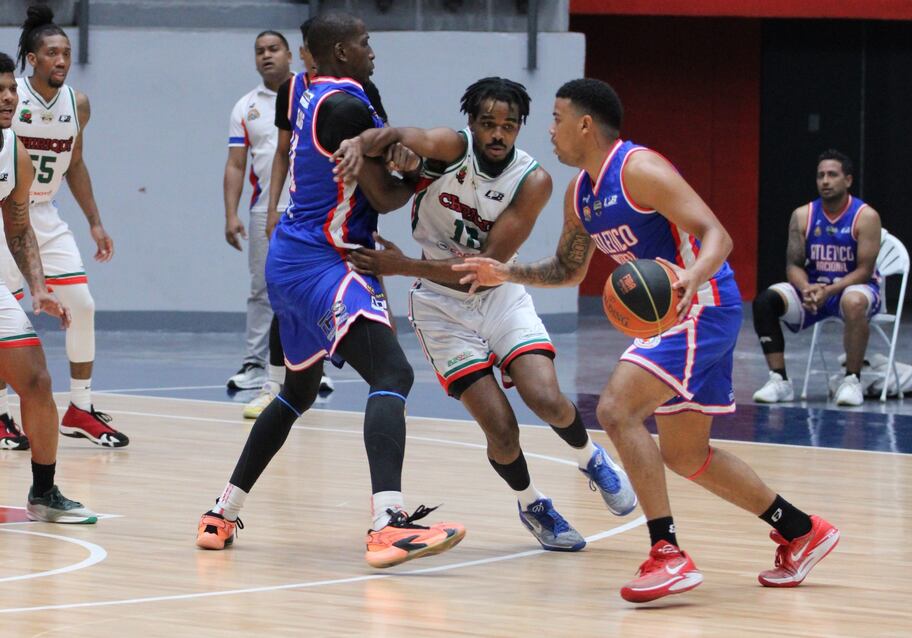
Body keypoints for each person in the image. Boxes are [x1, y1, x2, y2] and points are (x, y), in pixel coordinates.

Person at [453, 79, 839, 602]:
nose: (550, 130)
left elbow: (717, 236)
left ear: (584, 125)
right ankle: (801, 530)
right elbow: (569, 268)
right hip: (677, 315)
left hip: (698, 306)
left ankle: (668, 554)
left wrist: (690, 277)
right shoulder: (581, 193)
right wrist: (508, 272)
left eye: (557, 117)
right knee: (687, 455)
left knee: (616, 409)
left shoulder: (639, 170)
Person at [195, 13, 464, 569]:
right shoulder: (345, 107)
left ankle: (221, 511)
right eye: (365, 43)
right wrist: (417, 173)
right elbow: (386, 196)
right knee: (393, 374)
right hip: (325, 260)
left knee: (295, 392)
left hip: (290, 254)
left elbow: (320, 163)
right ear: (342, 51)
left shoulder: (302, 88)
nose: (373, 50)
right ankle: (387, 523)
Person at [332, 76, 636, 552]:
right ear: (471, 124)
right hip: (439, 308)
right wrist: (362, 142)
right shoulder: (451, 148)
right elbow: (400, 135)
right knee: (501, 428)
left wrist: (401, 265)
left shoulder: (533, 180)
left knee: (546, 398)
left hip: (497, 292)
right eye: (489, 124)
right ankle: (532, 504)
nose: (498, 134)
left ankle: (590, 457)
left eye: (509, 126)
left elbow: (483, 270)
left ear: (520, 129)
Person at [0, 5, 127, 448]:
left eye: (67, 53)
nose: (61, 61)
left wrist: (95, 222)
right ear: (32, 60)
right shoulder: (9, 97)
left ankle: (79, 407)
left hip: (46, 213)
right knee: (8, 313)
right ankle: (0, 414)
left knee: (82, 304)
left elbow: (75, 164)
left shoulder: (78, 104)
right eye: (52, 53)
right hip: (5, 211)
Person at [0, 52, 96, 522]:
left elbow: (19, 228)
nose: (7, 97)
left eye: (10, 90)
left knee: (36, 379)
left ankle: (43, 492)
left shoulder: (11, 148)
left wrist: (38, 289)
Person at [752, 150, 882, 407]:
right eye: (820, 175)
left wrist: (829, 291)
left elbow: (864, 271)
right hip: (814, 290)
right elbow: (793, 265)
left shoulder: (866, 216)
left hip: (854, 288)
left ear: (848, 180)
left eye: (832, 175)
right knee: (765, 301)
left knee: (853, 302)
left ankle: (852, 380)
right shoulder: (802, 215)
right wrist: (807, 288)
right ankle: (780, 380)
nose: (825, 180)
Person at [222, 31, 292, 394]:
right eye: (260, 51)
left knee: (306, 290)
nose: (267, 56)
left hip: (309, 210)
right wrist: (231, 214)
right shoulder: (246, 106)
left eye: (274, 49)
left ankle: (309, 366)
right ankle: (254, 364)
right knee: (262, 288)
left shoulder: (310, 96)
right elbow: (236, 165)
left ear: (290, 54)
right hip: (265, 210)